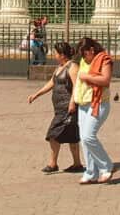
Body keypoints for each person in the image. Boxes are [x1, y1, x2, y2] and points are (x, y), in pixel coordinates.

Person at [27, 41, 84, 174]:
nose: (54, 55)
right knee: (72, 136)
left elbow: (76, 86)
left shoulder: (72, 67)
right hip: (59, 108)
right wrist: (36, 95)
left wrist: (72, 102)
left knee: (53, 135)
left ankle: (53, 164)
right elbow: (51, 83)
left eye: (56, 53)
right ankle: (77, 164)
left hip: (67, 108)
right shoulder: (60, 67)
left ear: (63, 55)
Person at [69, 37, 114, 184]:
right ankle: (91, 172)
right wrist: (73, 100)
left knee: (89, 136)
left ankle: (106, 166)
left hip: (98, 103)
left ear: (91, 50)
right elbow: (77, 81)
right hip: (83, 102)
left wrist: (86, 76)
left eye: (84, 53)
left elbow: (105, 80)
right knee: (84, 139)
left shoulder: (104, 59)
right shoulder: (83, 61)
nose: (83, 57)